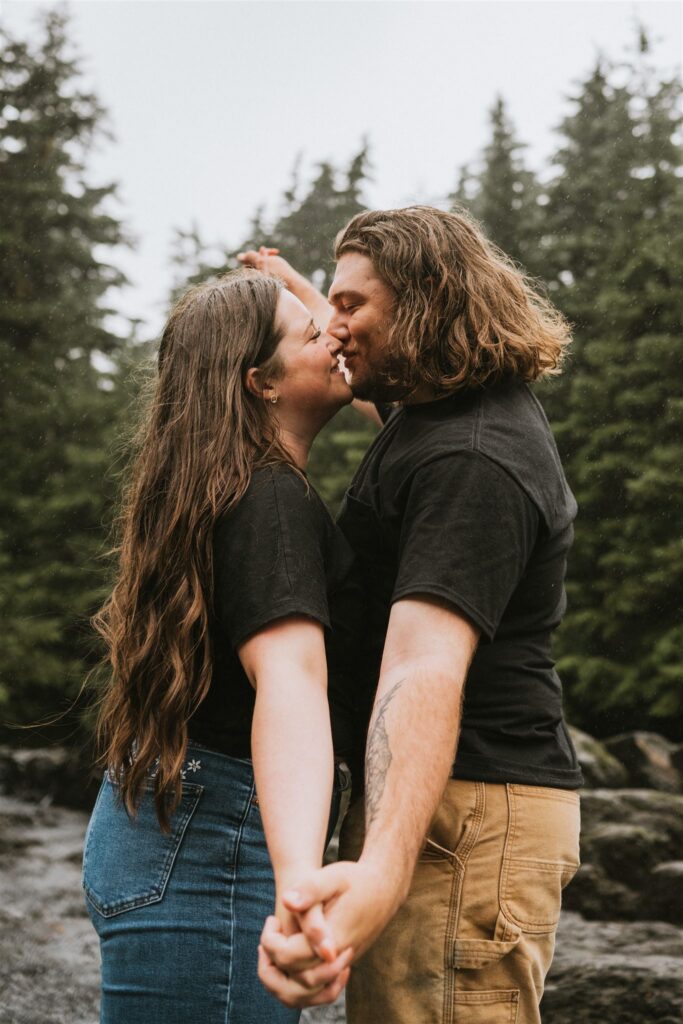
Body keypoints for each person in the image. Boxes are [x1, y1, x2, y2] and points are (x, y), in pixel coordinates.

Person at [245, 207, 583, 1024]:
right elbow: (380, 399)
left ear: (425, 305)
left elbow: (423, 663)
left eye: (352, 306)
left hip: (461, 818)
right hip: (453, 807)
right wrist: (291, 288)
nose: (333, 326)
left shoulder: (469, 458)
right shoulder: (439, 412)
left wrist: (384, 868)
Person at [82, 269, 362, 1024]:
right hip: (213, 848)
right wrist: (301, 876)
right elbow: (290, 682)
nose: (333, 336)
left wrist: (307, 295)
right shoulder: (270, 498)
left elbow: (389, 387)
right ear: (259, 384)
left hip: (174, 828)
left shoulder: (228, 485)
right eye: (312, 333)